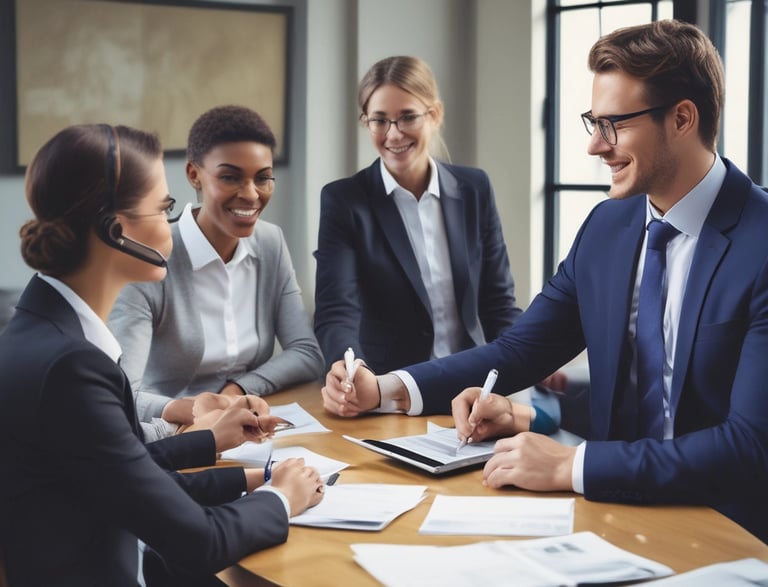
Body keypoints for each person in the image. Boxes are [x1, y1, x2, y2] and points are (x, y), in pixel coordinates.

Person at [322, 20, 768, 543]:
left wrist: (569, 465)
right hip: (608, 519)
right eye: (593, 123)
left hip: (729, 531)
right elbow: (518, 350)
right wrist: (384, 390)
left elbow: (749, 446)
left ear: (683, 119)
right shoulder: (608, 226)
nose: (595, 146)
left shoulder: (760, 241)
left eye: (614, 125)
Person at [0, 123, 324, 586]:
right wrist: (283, 499)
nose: (173, 221)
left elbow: (128, 472)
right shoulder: (71, 368)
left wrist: (234, 460)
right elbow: (200, 542)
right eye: (163, 208)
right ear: (116, 231)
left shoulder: (47, 332)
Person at [109, 105, 324, 440]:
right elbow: (120, 396)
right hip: (172, 436)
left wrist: (237, 390)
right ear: (194, 174)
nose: (251, 194)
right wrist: (197, 409)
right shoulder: (149, 258)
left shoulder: (270, 243)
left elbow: (307, 353)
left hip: (251, 430)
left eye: (262, 178)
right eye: (230, 177)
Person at [313, 55, 524, 375]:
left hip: (469, 380)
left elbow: (499, 303)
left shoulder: (474, 188)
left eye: (407, 117)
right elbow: (337, 311)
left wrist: (526, 361)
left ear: (434, 115)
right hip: (385, 385)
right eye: (380, 120)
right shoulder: (344, 201)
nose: (394, 134)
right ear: (366, 122)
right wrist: (350, 366)